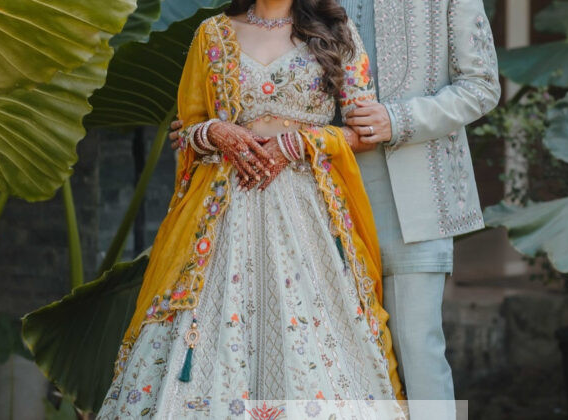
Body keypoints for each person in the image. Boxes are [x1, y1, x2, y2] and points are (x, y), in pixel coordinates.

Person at [169, 1, 501, 419]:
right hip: (310, 204)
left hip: (411, 199)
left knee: (418, 348)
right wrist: (207, 127)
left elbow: (482, 85)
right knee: (300, 346)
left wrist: (397, 119)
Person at [98, 0, 408, 418]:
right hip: (223, 211)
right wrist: (215, 132)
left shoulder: (335, 32)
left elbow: (365, 131)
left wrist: (299, 143)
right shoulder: (213, 33)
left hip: (306, 214)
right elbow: (187, 130)